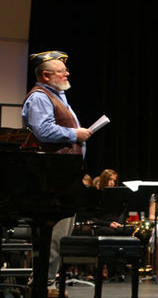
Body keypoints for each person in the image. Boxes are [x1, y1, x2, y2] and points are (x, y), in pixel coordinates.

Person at [21, 50, 93, 297]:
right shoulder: (40, 97)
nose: (67, 73)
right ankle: (44, 284)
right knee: (53, 235)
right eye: (62, 71)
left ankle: (45, 281)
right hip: (50, 178)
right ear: (46, 75)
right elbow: (43, 131)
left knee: (60, 235)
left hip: (63, 177)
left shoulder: (56, 96)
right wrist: (76, 134)